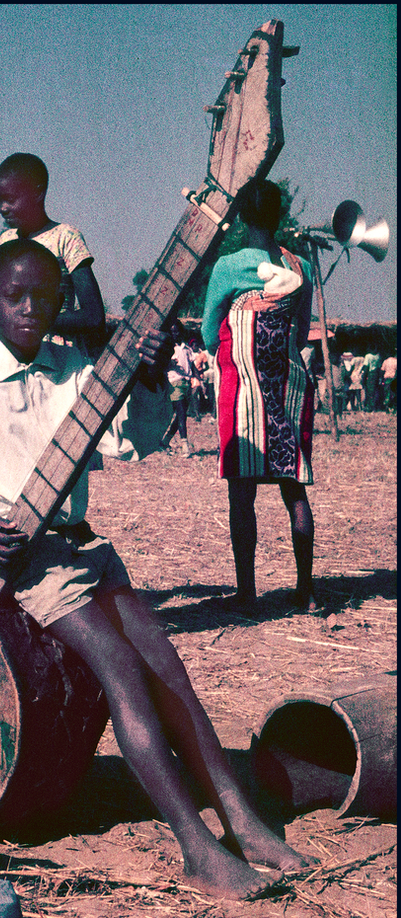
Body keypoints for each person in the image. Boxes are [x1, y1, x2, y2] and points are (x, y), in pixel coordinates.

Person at [0, 238, 315, 900]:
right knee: (120, 670)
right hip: (26, 559)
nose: (29, 309)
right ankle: (195, 847)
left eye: (43, 297)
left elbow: (136, 439)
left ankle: (244, 822)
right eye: (13, 296)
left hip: (86, 547)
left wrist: (146, 378)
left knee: (169, 667)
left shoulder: (77, 370)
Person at [201, 178, 317, 613]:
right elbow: (302, 332)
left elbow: (211, 332)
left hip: (242, 385)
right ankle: (304, 591)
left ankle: (247, 593)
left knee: (241, 493)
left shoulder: (228, 266)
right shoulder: (299, 266)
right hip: (287, 382)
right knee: (294, 489)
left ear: (242, 216)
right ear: (280, 214)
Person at [0, 152, 105, 350]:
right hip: (14, 354)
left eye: (9, 199)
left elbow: (93, 316)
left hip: (58, 356)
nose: (2, 208)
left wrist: (31, 321)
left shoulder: (66, 237)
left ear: (38, 193)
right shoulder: (5, 241)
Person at [159, 320, 197, 457]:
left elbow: (192, 365)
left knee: (180, 416)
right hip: (174, 382)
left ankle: (165, 440)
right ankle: (185, 445)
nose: (176, 334)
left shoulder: (187, 348)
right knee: (181, 414)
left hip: (186, 383)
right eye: (173, 332)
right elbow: (162, 365)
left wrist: (196, 378)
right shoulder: (168, 349)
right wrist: (169, 363)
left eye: (177, 331)